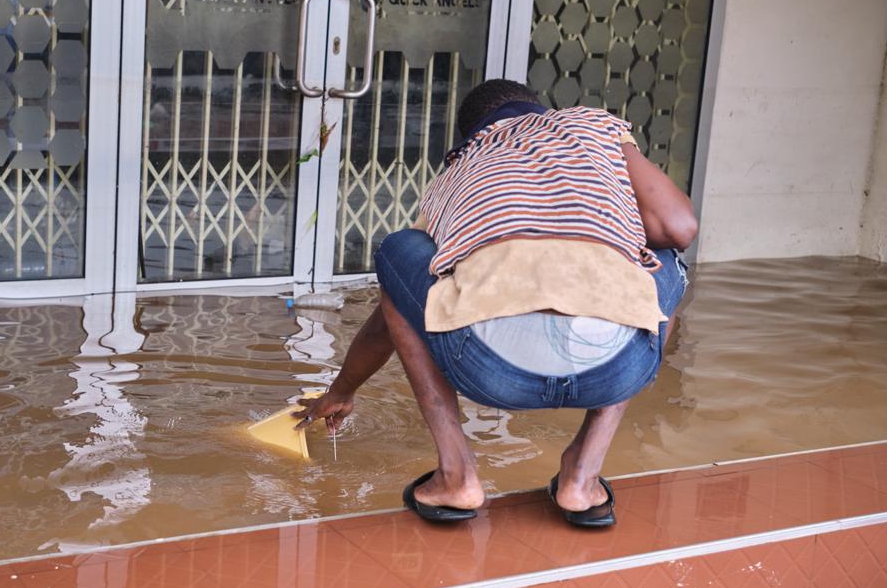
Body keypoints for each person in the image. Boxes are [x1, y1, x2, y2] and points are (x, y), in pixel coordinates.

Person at [293, 79, 698, 527]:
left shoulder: (455, 173)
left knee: (399, 250)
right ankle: (582, 477)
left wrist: (342, 390)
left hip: (488, 372)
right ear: (541, 110)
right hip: (618, 368)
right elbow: (678, 227)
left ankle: (457, 475)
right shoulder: (592, 125)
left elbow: (392, 315)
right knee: (665, 261)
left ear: (469, 133)